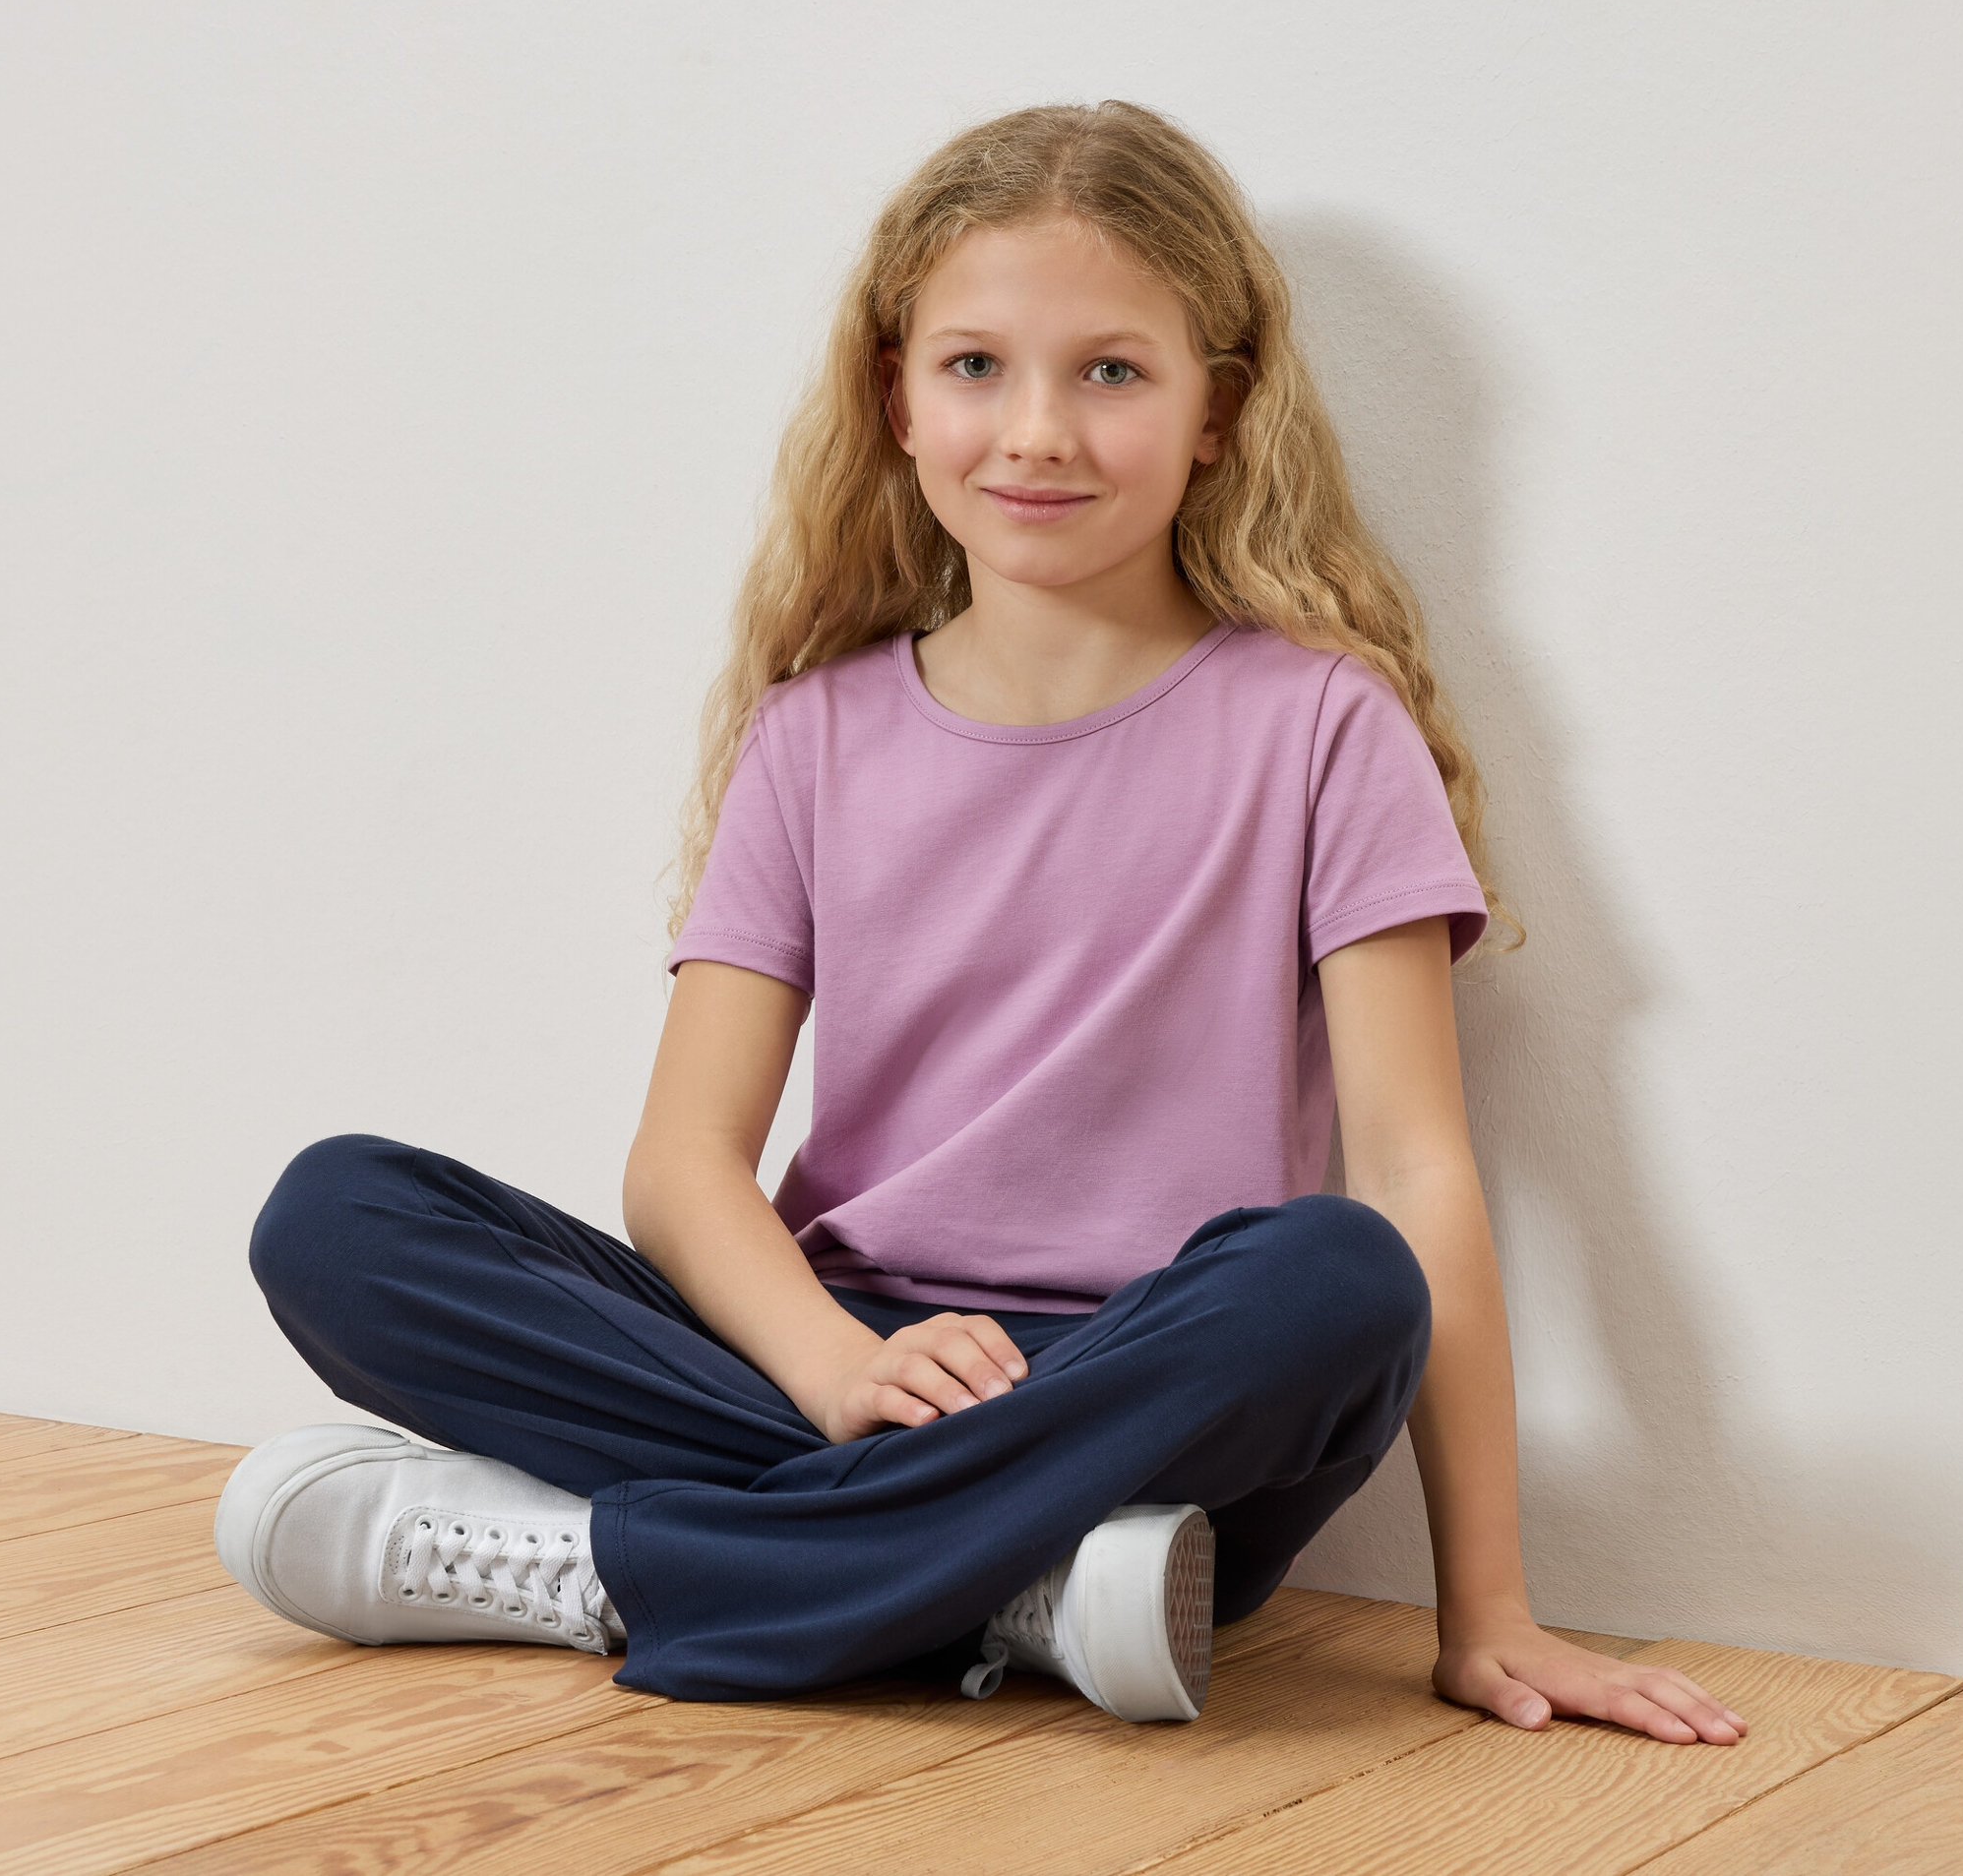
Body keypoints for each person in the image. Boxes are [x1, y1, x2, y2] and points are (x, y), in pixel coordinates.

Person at [216, 99, 1747, 1745]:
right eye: (973, 368)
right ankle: (1016, 1584)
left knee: (1335, 1273)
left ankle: (614, 1566)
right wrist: (826, 1366)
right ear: (895, 394)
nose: (1037, 431)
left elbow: (1414, 1173)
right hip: (843, 1359)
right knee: (339, 1213)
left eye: (1110, 370)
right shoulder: (811, 735)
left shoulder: (1321, 725)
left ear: (1217, 410)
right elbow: (678, 1165)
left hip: (1150, 1386)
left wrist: (1489, 1613)